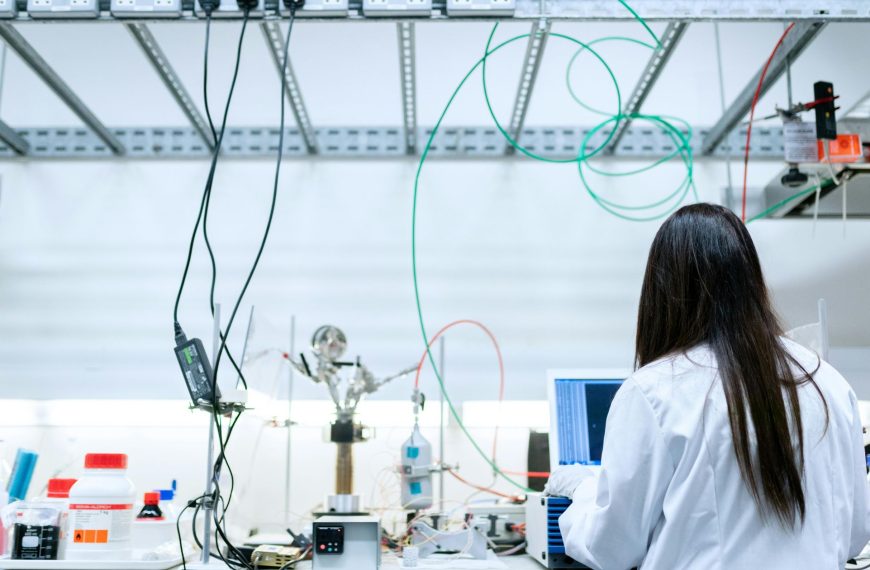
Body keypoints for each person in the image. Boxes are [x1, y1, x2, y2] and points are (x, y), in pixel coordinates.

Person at [545, 204, 870, 569]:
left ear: (662, 291)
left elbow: (610, 549)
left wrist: (582, 490)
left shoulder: (654, 392)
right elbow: (855, 533)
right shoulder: (825, 381)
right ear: (751, 280)